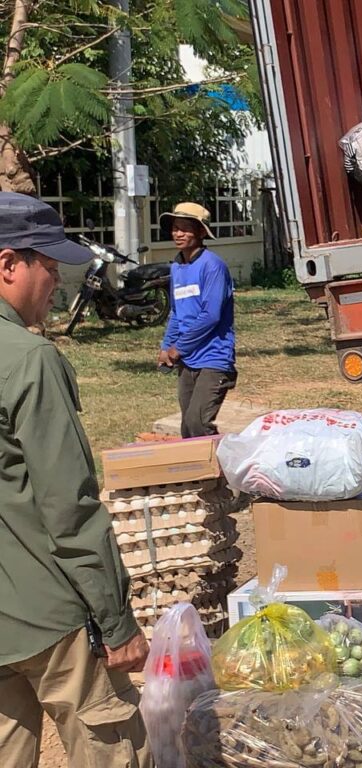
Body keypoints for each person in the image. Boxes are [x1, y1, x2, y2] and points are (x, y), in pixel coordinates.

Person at [0, 192, 152, 766]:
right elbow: (70, 507)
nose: (58, 280)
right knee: (110, 747)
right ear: (8, 264)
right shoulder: (27, 359)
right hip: (49, 616)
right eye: (48, 264)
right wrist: (117, 623)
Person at [158, 202, 237, 438]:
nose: (178, 234)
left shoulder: (213, 266)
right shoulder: (177, 267)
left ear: (201, 232)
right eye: (175, 228)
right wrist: (166, 347)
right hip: (187, 360)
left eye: (185, 228)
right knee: (188, 428)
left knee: (198, 423)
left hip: (213, 358)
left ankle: (221, 461)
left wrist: (179, 348)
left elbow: (210, 315)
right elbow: (176, 313)